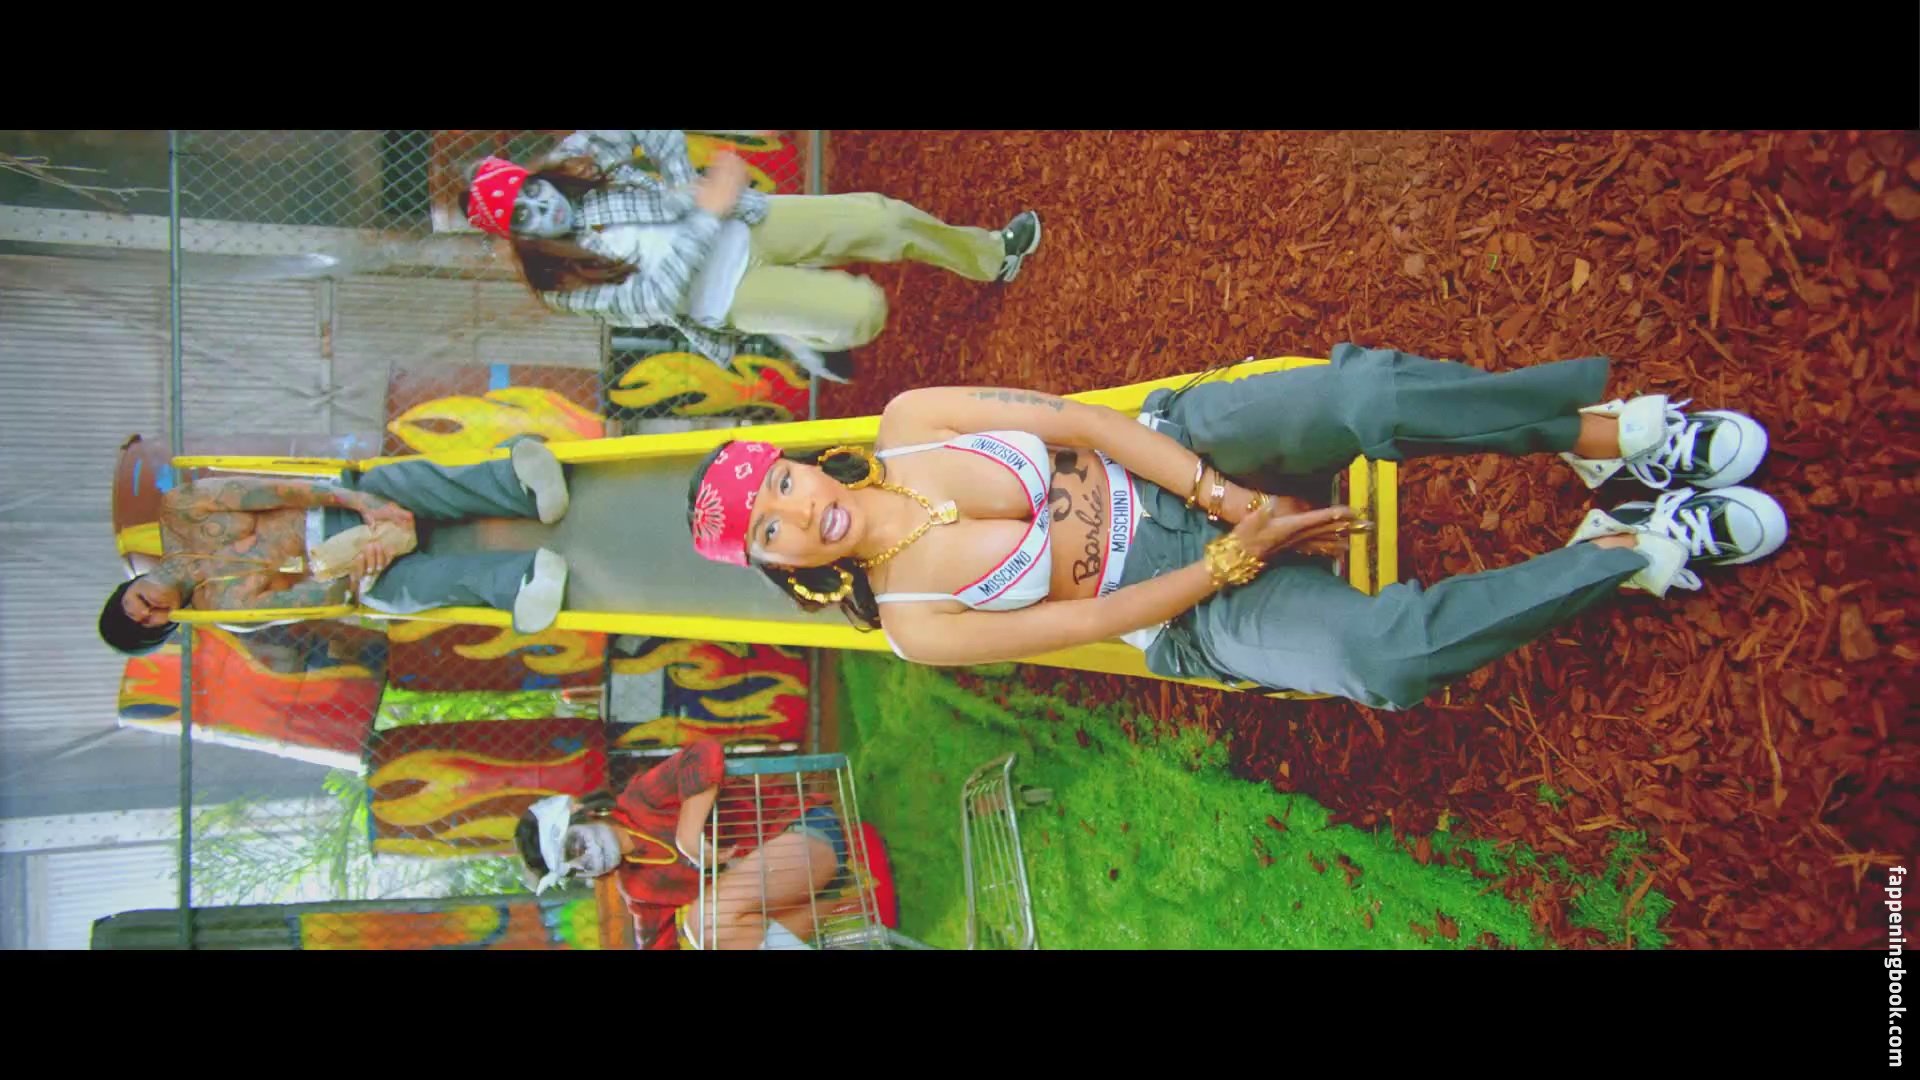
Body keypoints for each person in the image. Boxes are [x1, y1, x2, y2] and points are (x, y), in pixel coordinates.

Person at [683, 343, 1787, 710]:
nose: (796, 512)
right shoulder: (914, 625)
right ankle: (1617, 554)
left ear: (794, 462)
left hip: (1174, 451)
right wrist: (1232, 556)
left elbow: (1085, 423)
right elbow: (1092, 622)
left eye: (778, 486)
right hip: (1185, 607)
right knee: (1378, 663)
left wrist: (1220, 496)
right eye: (771, 534)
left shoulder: (912, 420)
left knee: (1363, 398)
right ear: (785, 570)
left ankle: (1600, 435)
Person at [459, 129, 1041, 379]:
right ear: (516, 238)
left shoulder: (572, 165)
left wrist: (682, 178)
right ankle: (800, 335)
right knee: (863, 310)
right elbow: (659, 297)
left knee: (882, 219)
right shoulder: (560, 286)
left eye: (529, 192)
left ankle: (993, 255)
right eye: (523, 217)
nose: (541, 207)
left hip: (749, 223)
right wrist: (705, 210)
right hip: (729, 295)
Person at [98, 440, 574, 656]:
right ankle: (521, 582)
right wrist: (360, 566)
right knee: (401, 596)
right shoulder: (224, 608)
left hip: (336, 507)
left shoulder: (182, 510)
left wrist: (360, 501)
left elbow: (277, 490)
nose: (151, 608)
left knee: (394, 481)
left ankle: (517, 483)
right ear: (168, 627)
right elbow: (314, 601)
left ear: (130, 586)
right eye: (151, 622)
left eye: (137, 603)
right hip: (354, 573)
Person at [514, 738, 847, 950]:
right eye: (573, 871)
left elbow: (703, 752)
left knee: (702, 923)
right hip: (807, 896)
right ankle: (851, 906)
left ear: (582, 813)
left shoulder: (641, 800)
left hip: (805, 833)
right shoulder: (639, 889)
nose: (584, 862)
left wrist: (689, 834)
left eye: (573, 848)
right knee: (708, 936)